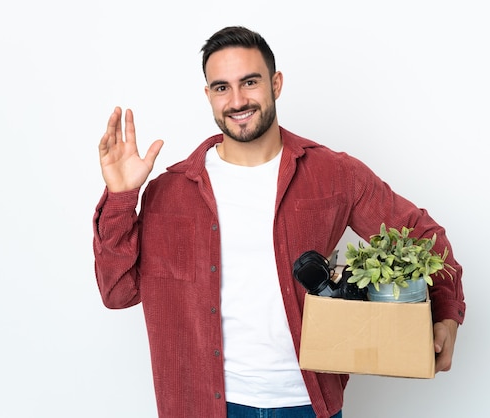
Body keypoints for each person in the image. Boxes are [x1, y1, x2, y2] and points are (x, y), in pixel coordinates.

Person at [93, 26, 465, 418]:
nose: (237, 101)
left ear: (276, 83)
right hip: (202, 404)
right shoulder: (169, 192)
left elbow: (421, 235)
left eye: (249, 82)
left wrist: (445, 310)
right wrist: (121, 198)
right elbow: (118, 292)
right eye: (221, 88)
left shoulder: (334, 174)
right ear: (208, 95)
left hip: (306, 403)